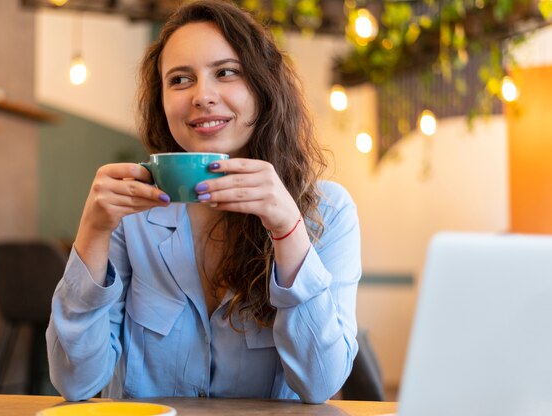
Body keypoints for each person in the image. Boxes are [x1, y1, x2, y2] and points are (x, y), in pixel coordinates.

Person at [47, 0, 361, 404]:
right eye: (180, 80)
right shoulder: (134, 215)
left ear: (263, 87)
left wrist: (288, 229)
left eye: (226, 72)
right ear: (162, 101)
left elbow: (321, 383)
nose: (202, 96)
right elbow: (76, 382)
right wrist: (92, 233)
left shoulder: (328, 211)